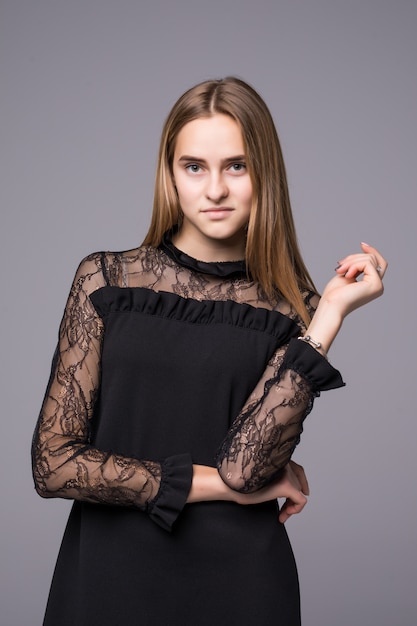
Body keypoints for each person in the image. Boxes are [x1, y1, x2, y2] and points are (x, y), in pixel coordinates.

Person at [32, 76, 386, 626]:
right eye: (194, 166)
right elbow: (52, 465)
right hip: (108, 579)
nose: (214, 190)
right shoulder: (104, 280)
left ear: (264, 173)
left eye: (236, 166)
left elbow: (247, 471)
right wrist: (218, 486)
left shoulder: (293, 312)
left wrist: (331, 316)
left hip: (240, 588)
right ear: (170, 175)